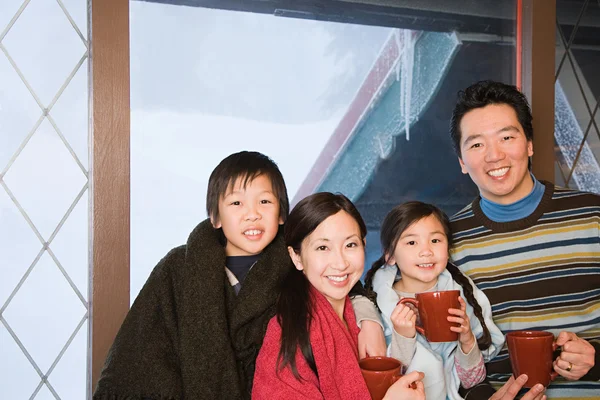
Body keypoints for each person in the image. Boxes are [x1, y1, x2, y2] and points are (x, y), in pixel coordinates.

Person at [93, 152, 385, 400]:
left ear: (282, 214)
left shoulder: (298, 260)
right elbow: (140, 347)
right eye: (236, 203)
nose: (252, 214)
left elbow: (342, 280)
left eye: (265, 202)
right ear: (215, 217)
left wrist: (367, 317)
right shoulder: (178, 268)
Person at [449, 80, 600, 399]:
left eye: (506, 137)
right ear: (462, 162)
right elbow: (443, 356)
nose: (494, 155)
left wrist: (596, 356)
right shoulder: (444, 244)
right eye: (476, 144)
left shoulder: (593, 216)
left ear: (529, 144)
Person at [252, 192, 426, 399]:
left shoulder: (364, 313)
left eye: (350, 245)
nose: (340, 263)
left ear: (363, 244)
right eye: (323, 247)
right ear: (296, 257)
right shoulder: (287, 332)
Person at [364, 201, 505, 400]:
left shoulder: (461, 295)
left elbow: (472, 381)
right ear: (390, 255)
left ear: (448, 249)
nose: (426, 251)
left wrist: (467, 340)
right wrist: (403, 337)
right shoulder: (377, 305)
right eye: (412, 242)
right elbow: (385, 386)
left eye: (436, 240)